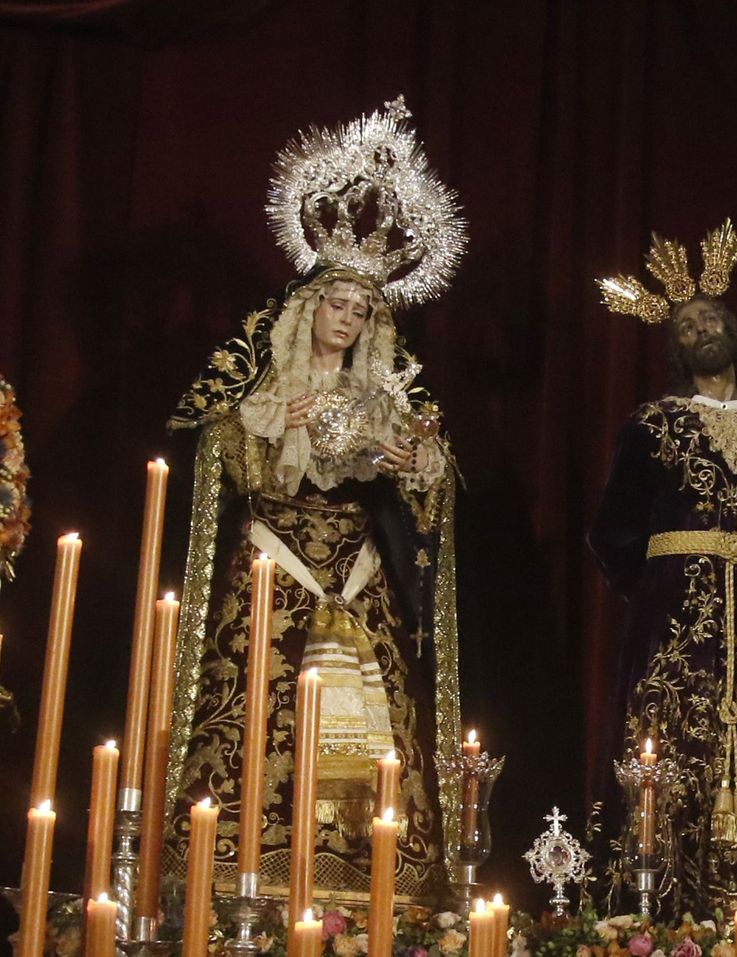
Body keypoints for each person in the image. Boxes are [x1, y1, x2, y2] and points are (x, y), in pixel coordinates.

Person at [163, 98, 467, 904]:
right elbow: (221, 449)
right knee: (261, 709)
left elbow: (427, 485)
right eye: (339, 303)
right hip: (277, 559)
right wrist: (272, 422)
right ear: (311, 308)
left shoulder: (385, 393)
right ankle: (239, 874)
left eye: (364, 310)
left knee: (372, 713)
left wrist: (415, 457)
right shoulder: (267, 388)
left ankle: (373, 878)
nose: (350, 317)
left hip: (358, 562)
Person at [590, 221, 737, 919]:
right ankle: (656, 905)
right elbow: (610, 530)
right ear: (674, 347)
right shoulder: (651, 423)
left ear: (734, 333)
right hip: (673, 621)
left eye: (710, 318)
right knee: (668, 744)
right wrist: (664, 584)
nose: (700, 329)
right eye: (686, 324)